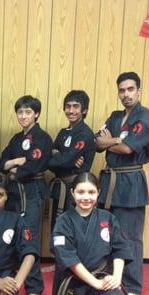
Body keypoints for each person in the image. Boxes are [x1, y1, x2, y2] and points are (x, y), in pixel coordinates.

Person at [50, 172, 133, 295]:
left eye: (91, 192)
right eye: (81, 192)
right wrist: (93, 283)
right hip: (75, 279)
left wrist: (117, 277)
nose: (86, 197)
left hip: (102, 275)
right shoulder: (64, 220)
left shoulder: (108, 218)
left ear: (98, 193)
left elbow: (121, 248)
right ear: (72, 193)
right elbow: (68, 257)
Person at [95, 72, 149, 295]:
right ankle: (109, 274)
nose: (126, 94)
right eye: (122, 90)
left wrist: (111, 141)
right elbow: (97, 142)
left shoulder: (145, 118)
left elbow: (128, 149)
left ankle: (132, 284)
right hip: (110, 181)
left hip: (131, 181)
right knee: (106, 232)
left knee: (130, 236)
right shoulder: (114, 116)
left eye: (130, 89)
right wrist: (115, 141)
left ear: (139, 91)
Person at [0, 96, 52, 295]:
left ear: (36, 114)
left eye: (28, 112)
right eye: (20, 112)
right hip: (13, 192)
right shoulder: (16, 139)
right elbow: (0, 163)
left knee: (30, 237)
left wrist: (17, 168)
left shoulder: (43, 138)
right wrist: (16, 161)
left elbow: (33, 167)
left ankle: (34, 287)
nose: (23, 116)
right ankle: (6, 280)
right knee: (9, 234)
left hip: (32, 192)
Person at [49, 90, 96, 230]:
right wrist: (62, 158)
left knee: (73, 229)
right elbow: (53, 161)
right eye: (68, 106)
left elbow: (65, 160)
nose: (71, 110)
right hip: (60, 187)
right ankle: (58, 253)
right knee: (57, 229)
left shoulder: (85, 134)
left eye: (76, 106)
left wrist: (60, 156)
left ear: (84, 110)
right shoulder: (63, 132)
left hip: (76, 190)